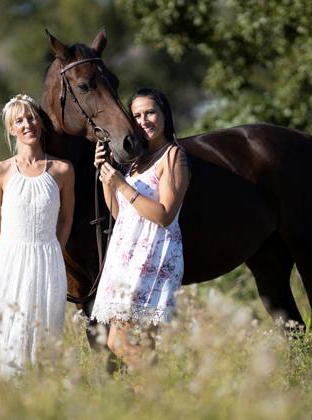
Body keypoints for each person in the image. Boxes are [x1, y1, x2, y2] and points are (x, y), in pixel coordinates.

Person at [0, 94, 75, 382]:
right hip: (8, 261)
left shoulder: (63, 170)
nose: (27, 124)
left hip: (48, 260)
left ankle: (39, 397)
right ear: (11, 129)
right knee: (6, 329)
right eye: (19, 120)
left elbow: (66, 218)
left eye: (31, 118)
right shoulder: (0, 171)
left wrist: (56, 250)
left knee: (42, 330)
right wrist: (2, 259)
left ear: (40, 124)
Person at [90, 87, 189, 372]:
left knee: (118, 342)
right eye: (137, 115)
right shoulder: (136, 162)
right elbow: (122, 215)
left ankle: (161, 391)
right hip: (127, 255)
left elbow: (164, 215)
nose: (144, 120)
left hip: (154, 256)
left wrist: (121, 185)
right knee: (142, 346)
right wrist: (107, 177)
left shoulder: (173, 157)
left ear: (164, 115)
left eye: (150, 113)